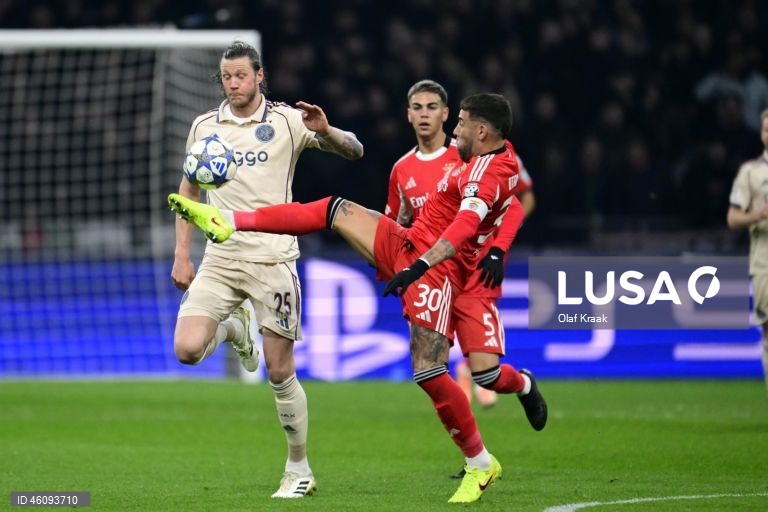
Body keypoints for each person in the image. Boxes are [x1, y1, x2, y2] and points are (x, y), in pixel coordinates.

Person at [169, 93, 548, 503]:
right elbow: (504, 201)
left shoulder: (482, 173)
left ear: (481, 130)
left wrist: (455, 259)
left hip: (437, 266)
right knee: (334, 208)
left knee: (442, 372)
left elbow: (469, 224)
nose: (452, 127)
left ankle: (480, 460)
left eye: (458, 120)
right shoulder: (457, 161)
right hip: (410, 244)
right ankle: (230, 220)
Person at [170, 41, 364, 499]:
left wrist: (328, 131)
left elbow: (356, 150)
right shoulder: (204, 127)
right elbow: (188, 193)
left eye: (240, 75)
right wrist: (182, 254)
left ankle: (299, 470)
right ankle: (237, 329)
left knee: (279, 371)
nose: (233, 83)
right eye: (226, 76)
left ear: (260, 76)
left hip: (274, 260)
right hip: (221, 259)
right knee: (186, 349)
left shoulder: (286, 121)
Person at [385, 81, 542, 483]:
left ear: (446, 113)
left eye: (433, 106)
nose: (424, 114)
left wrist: (499, 249)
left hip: (474, 271)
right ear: (407, 114)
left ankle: (522, 384)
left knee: (485, 373)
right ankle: (475, 456)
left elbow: (519, 201)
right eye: (416, 106)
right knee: (431, 368)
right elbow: (396, 223)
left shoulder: (477, 155)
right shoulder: (401, 169)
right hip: (433, 268)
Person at [727, 108, 768, 392]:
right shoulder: (751, 172)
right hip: (764, 261)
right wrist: (758, 215)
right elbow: (732, 218)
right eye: (767, 129)